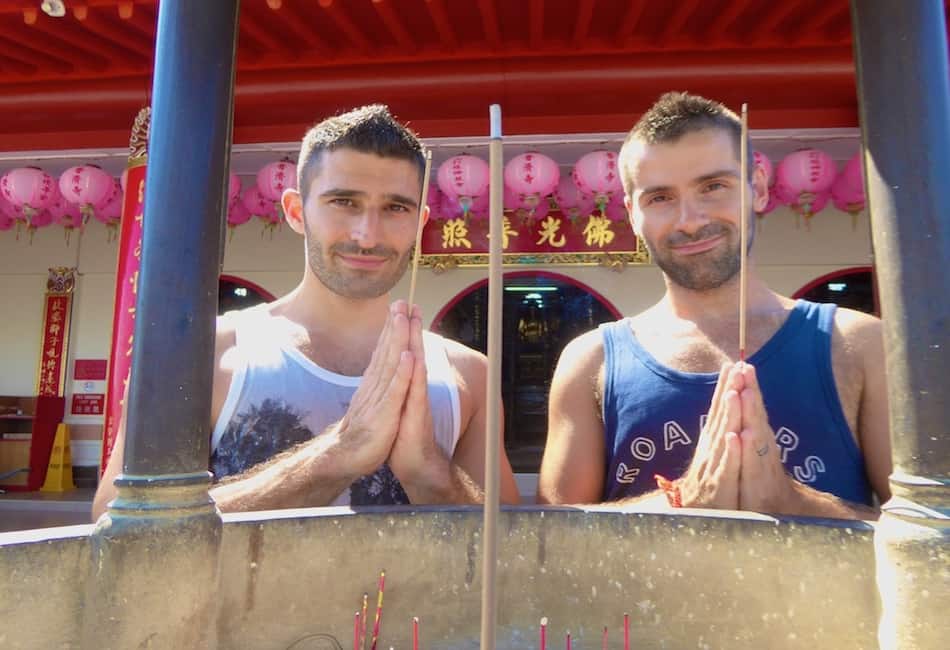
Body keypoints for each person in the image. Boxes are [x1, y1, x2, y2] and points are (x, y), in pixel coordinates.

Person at [93, 105, 519, 519]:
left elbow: (518, 550)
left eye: (395, 208)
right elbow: (117, 522)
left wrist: (429, 471)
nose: (367, 235)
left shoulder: (468, 375)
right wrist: (338, 454)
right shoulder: (202, 356)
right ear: (296, 211)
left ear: (420, 220)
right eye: (344, 202)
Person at [538, 92, 891, 519]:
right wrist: (686, 498)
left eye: (713, 186)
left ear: (756, 188)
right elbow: (550, 540)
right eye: (660, 198)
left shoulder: (859, 345)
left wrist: (790, 500)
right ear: (632, 213)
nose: (690, 219)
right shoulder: (589, 362)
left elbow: (932, 538)